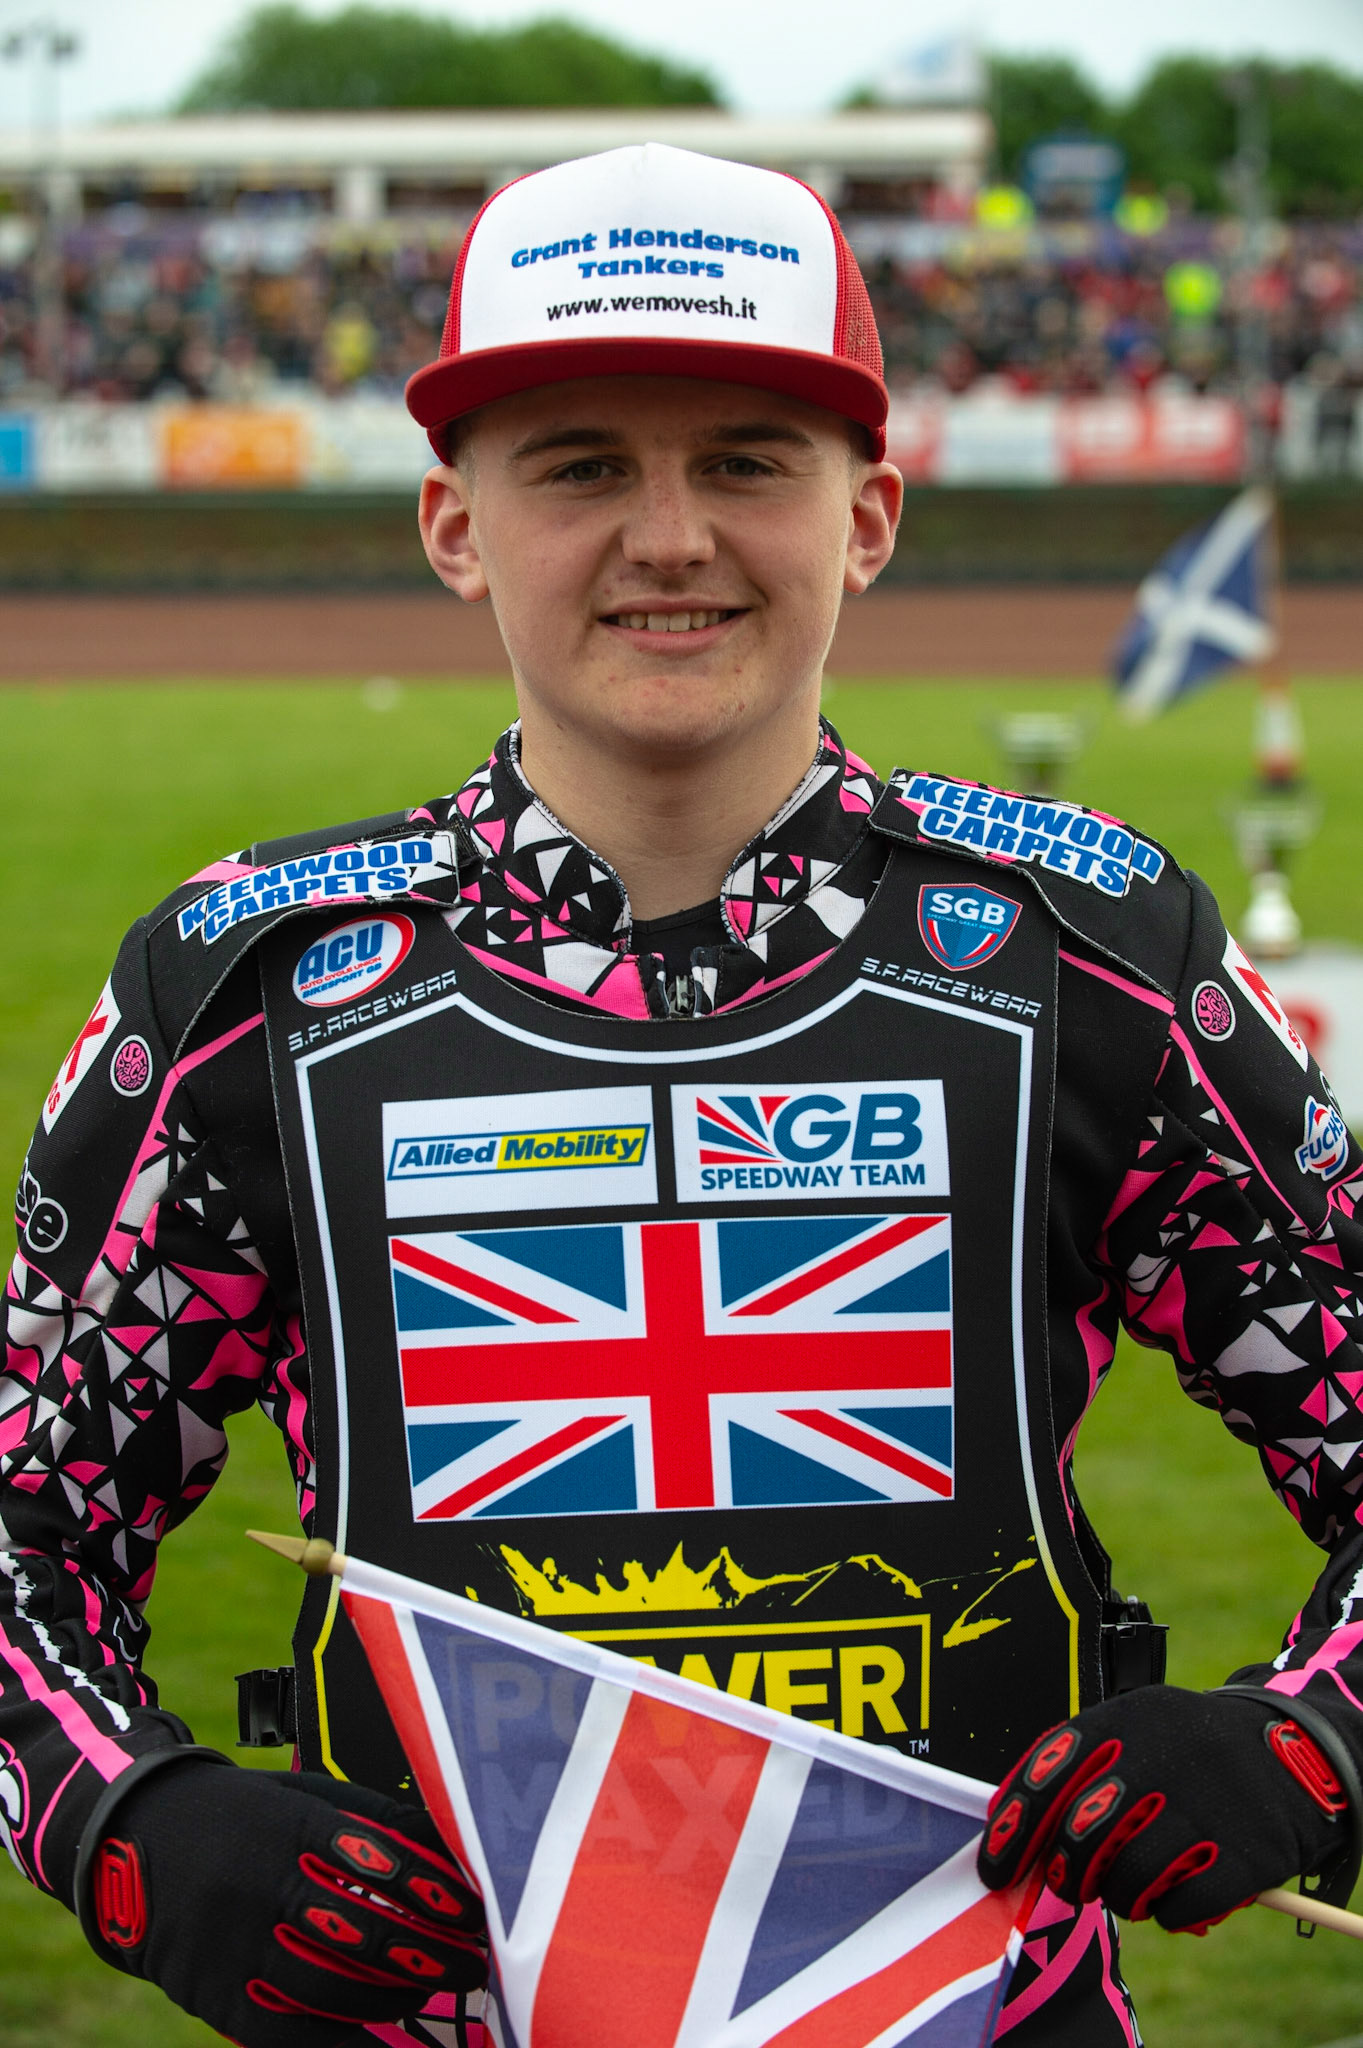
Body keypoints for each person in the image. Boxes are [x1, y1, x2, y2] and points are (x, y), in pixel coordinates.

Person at [4, 141, 1363, 2048]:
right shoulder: (240, 996)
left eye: (745, 459)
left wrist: (1312, 1745)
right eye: (580, 466)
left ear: (868, 514)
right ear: (454, 522)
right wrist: (124, 1817)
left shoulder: (1091, 956)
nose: (669, 537)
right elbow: (24, 1528)